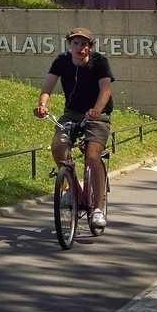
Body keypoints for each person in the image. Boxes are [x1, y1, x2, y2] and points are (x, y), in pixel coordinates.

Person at [34, 27, 113, 230]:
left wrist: (96, 110)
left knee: (93, 156)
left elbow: (106, 88)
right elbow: (48, 86)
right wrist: (42, 104)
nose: (80, 48)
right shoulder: (62, 61)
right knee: (57, 146)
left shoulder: (99, 62)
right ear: (70, 45)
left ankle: (97, 208)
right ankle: (71, 186)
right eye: (75, 43)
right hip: (72, 113)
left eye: (84, 44)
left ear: (90, 47)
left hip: (97, 115)